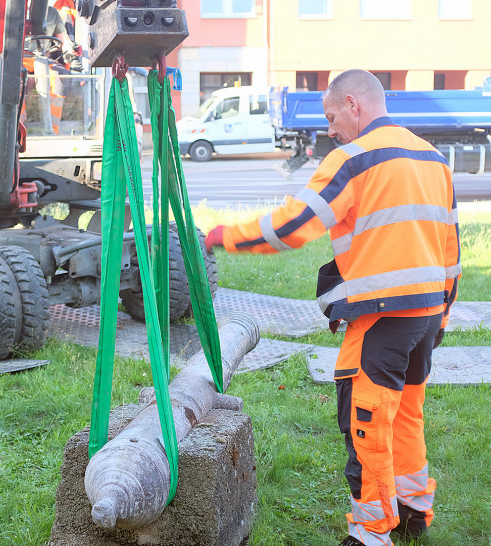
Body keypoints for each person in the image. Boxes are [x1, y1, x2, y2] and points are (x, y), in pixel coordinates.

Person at [204, 70, 461, 546]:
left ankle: (371, 533)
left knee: (367, 423)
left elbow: (294, 224)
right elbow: (451, 250)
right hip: (424, 315)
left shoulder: (354, 159)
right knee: (405, 414)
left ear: (352, 104)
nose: (329, 129)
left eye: (331, 116)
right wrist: (440, 317)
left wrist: (222, 235)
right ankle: (413, 510)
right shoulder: (433, 158)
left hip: (381, 316)